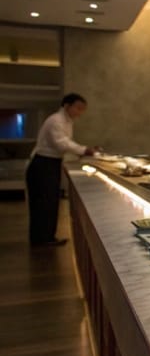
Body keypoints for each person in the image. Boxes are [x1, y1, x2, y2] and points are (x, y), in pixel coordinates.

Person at [26, 93, 98, 246]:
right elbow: (61, 143)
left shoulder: (67, 121)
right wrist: (84, 150)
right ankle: (41, 239)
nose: (80, 112)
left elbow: (65, 144)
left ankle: (46, 237)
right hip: (43, 164)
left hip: (51, 163)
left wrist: (83, 150)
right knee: (43, 202)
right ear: (67, 106)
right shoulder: (56, 120)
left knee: (50, 201)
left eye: (82, 109)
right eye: (78, 108)